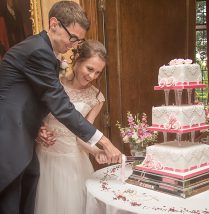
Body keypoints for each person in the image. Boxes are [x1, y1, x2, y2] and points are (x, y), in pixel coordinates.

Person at [0, 1, 121, 214]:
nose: (74, 45)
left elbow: (31, 99)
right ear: (54, 23)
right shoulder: (39, 51)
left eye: (78, 40)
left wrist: (36, 125)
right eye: (72, 37)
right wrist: (104, 140)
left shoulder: (43, 50)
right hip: (10, 143)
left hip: (26, 143)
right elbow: (60, 105)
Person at [34, 40, 108, 214]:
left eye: (98, 72)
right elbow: (35, 115)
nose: (92, 76)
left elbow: (82, 134)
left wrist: (96, 151)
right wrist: (39, 128)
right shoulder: (54, 85)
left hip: (72, 162)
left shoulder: (96, 97)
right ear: (78, 60)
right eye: (89, 69)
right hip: (44, 158)